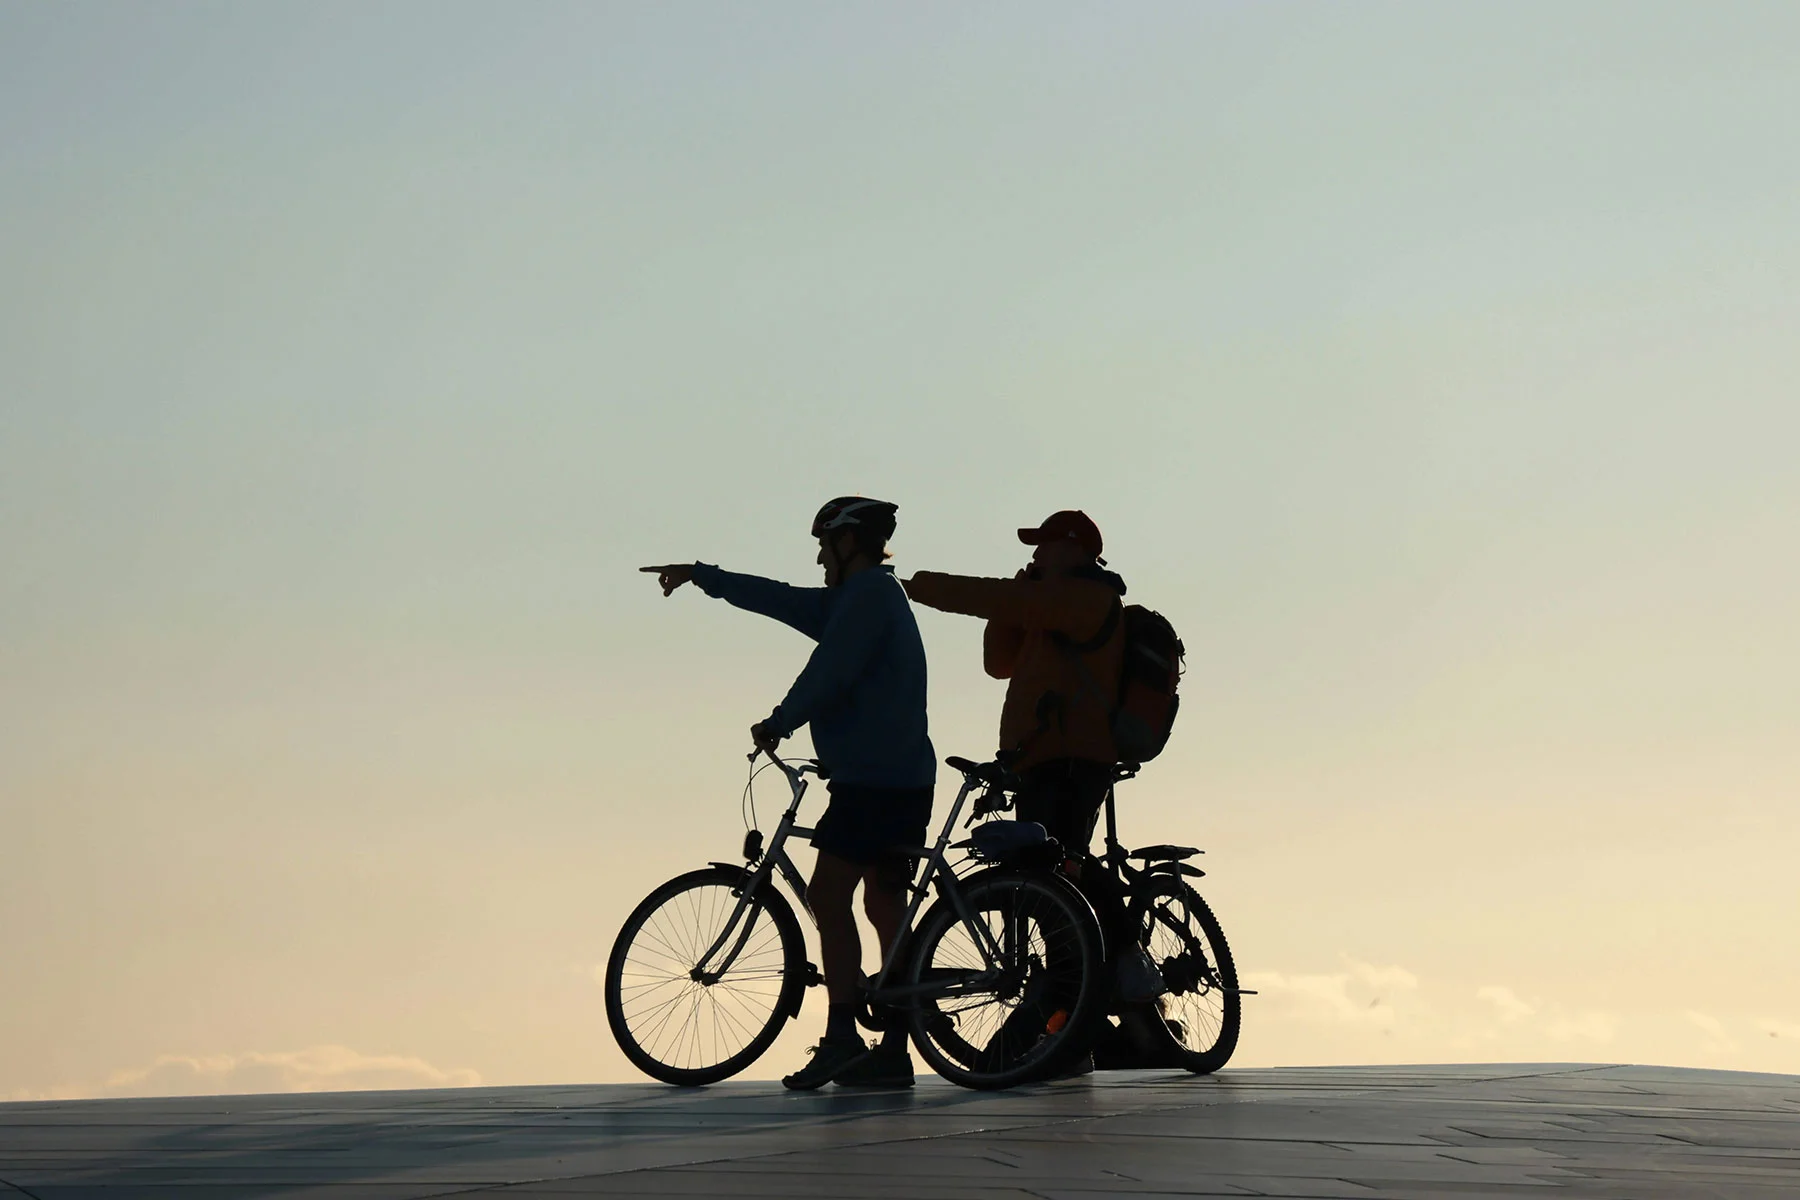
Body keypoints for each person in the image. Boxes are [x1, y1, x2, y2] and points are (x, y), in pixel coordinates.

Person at [640, 497, 934, 1090]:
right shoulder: (858, 599)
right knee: (882, 905)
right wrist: (706, 578)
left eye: (825, 546)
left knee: (830, 896)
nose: (820, 558)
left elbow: (833, 671)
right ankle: (893, 1051)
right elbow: (780, 599)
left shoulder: (869, 597)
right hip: (894, 776)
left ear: (849, 544)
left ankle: (843, 1039)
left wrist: (780, 721)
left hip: (875, 780)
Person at [902, 510, 1126, 858]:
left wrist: (917, 588)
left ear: (1071, 549)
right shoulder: (1045, 606)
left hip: (1072, 761)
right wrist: (1017, 599)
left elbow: (991, 597)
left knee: (1061, 866)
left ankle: (1109, 914)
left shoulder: (1088, 598)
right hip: (1035, 759)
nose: (1035, 556)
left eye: (1043, 547)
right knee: (1036, 874)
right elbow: (998, 663)